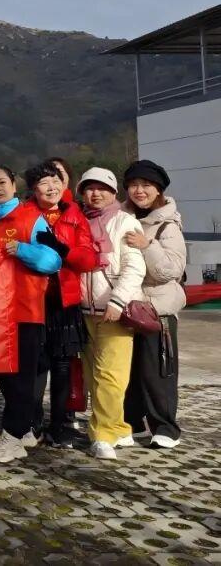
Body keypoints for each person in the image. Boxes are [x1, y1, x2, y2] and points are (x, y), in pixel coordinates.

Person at [0, 165, 62, 463]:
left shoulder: (31, 218)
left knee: (21, 378)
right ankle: (21, 430)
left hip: (24, 311)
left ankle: (13, 438)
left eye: (2, 182)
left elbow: (53, 260)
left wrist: (23, 250)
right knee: (3, 377)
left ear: (14, 185)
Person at [26, 162, 97, 448]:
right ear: (33, 189)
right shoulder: (24, 215)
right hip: (32, 299)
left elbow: (88, 258)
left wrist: (63, 250)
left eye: (56, 181)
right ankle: (31, 422)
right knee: (35, 364)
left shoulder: (74, 215)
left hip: (64, 299)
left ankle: (60, 423)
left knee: (63, 364)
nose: (52, 187)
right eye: (44, 183)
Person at [78, 167, 146, 460]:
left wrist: (117, 301)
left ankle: (102, 435)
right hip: (84, 309)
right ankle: (118, 426)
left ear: (113, 192)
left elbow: (135, 267)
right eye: (89, 188)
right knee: (92, 374)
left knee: (110, 375)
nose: (95, 194)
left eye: (102, 188)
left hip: (113, 310)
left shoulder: (125, 221)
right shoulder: (79, 222)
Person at [121, 160, 186, 449]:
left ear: (158, 189)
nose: (139, 190)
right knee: (128, 370)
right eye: (133, 185)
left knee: (157, 371)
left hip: (156, 310)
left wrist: (147, 245)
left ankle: (166, 428)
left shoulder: (167, 226)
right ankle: (132, 423)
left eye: (146, 185)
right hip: (127, 306)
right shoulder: (120, 218)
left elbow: (171, 270)